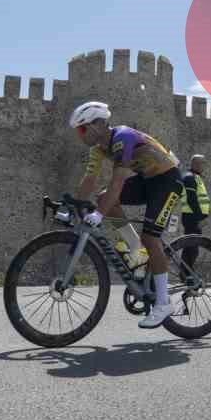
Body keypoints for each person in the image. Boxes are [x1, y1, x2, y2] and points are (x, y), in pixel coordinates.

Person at [70, 100, 183, 329]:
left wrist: (99, 215)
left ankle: (163, 303)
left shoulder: (123, 137)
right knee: (104, 198)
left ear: (98, 124)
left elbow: (118, 181)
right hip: (147, 180)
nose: (79, 135)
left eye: (82, 129)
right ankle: (136, 250)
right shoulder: (98, 149)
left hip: (168, 180)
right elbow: (89, 179)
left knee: (150, 237)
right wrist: (73, 205)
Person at [178, 154, 211, 273]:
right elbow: (191, 199)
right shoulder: (189, 177)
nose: (204, 166)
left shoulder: (196, 178)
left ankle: (186, 274)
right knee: (192, 249)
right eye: (203, 163)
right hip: (191, 217)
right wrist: (200, 218)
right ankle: (186, 275)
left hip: (192, 217)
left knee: (191, 248)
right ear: (195, 164)